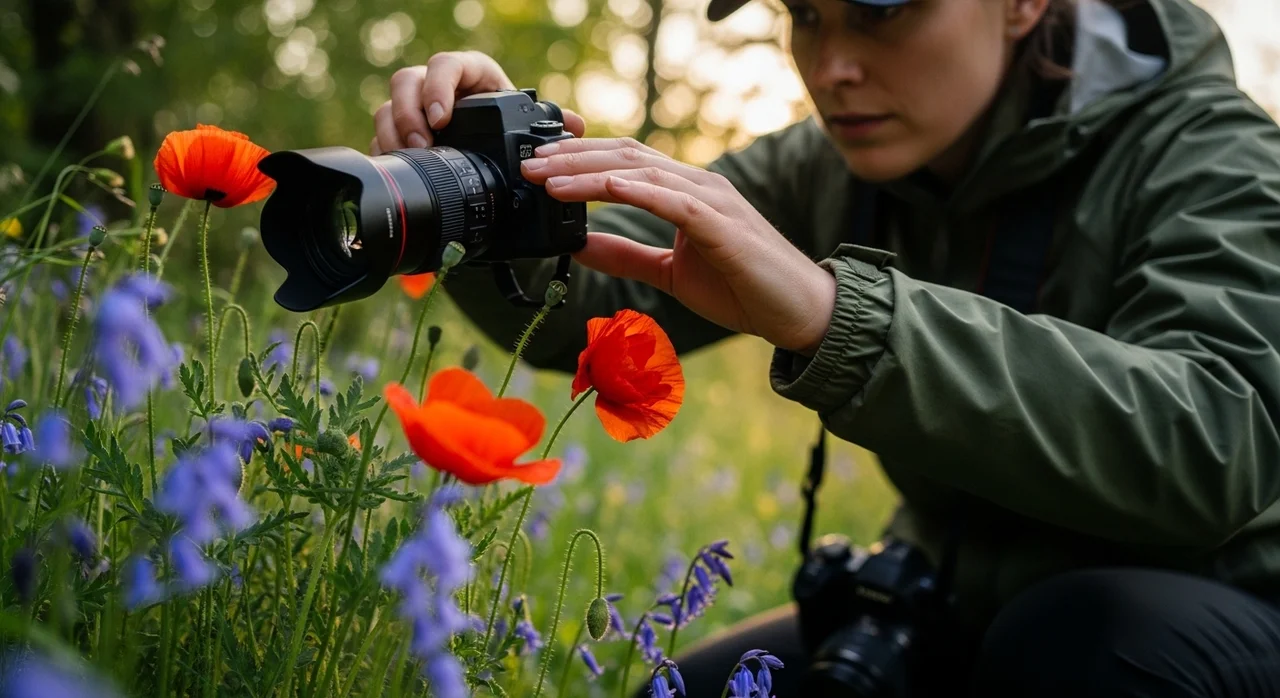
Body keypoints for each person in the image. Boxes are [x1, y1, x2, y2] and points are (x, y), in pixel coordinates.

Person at [372, 0, 1280, 694]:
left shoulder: (1208, 151)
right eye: (806, 14)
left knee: (1085, 640)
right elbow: (590, 308)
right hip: (943, 602)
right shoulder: (827, 163)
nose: (834, 64)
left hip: (1213, 612)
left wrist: (833, 312)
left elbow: (1217, 439)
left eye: (886, 12)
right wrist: (483, 190)